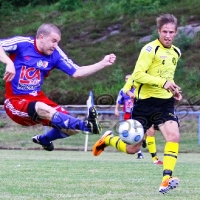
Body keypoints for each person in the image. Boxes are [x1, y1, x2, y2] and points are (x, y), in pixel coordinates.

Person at [93, 14, 182, 194]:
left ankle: (166, 178)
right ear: (158, 31)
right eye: (164, 31)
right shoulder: (149, 50)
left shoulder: (176, 52)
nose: (167, 35)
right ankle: (108, 139)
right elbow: (138, 75)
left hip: (165, 103)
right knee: (132, 148)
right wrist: (162, 83)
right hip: (145, 104)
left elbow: (167, 76)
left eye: (171, 32)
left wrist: (173, 89)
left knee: (173, 136)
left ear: (176, 33)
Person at [0, 23, 116, 151]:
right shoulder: (23, 44)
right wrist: (8, 62)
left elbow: (77, 72)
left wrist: (103, 63)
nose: (56, 45)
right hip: (15, 101)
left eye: (58, 42)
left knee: (72, 128)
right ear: (41, 37)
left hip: (38, 98)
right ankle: (88, 126)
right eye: (53, 41)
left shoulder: (56, 54)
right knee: (43, 107)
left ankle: (44, 139)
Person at [115, 74, 144, 159]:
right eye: (126, 79)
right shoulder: (123, 90)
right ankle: (139, 152)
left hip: (137, 113)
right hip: (127, 114)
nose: (127, 80)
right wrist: (116, 109)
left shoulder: (137, 89)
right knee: (128, 133)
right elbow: (119, 100)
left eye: (129, 79)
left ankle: (143, 141)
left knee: (139, 130)